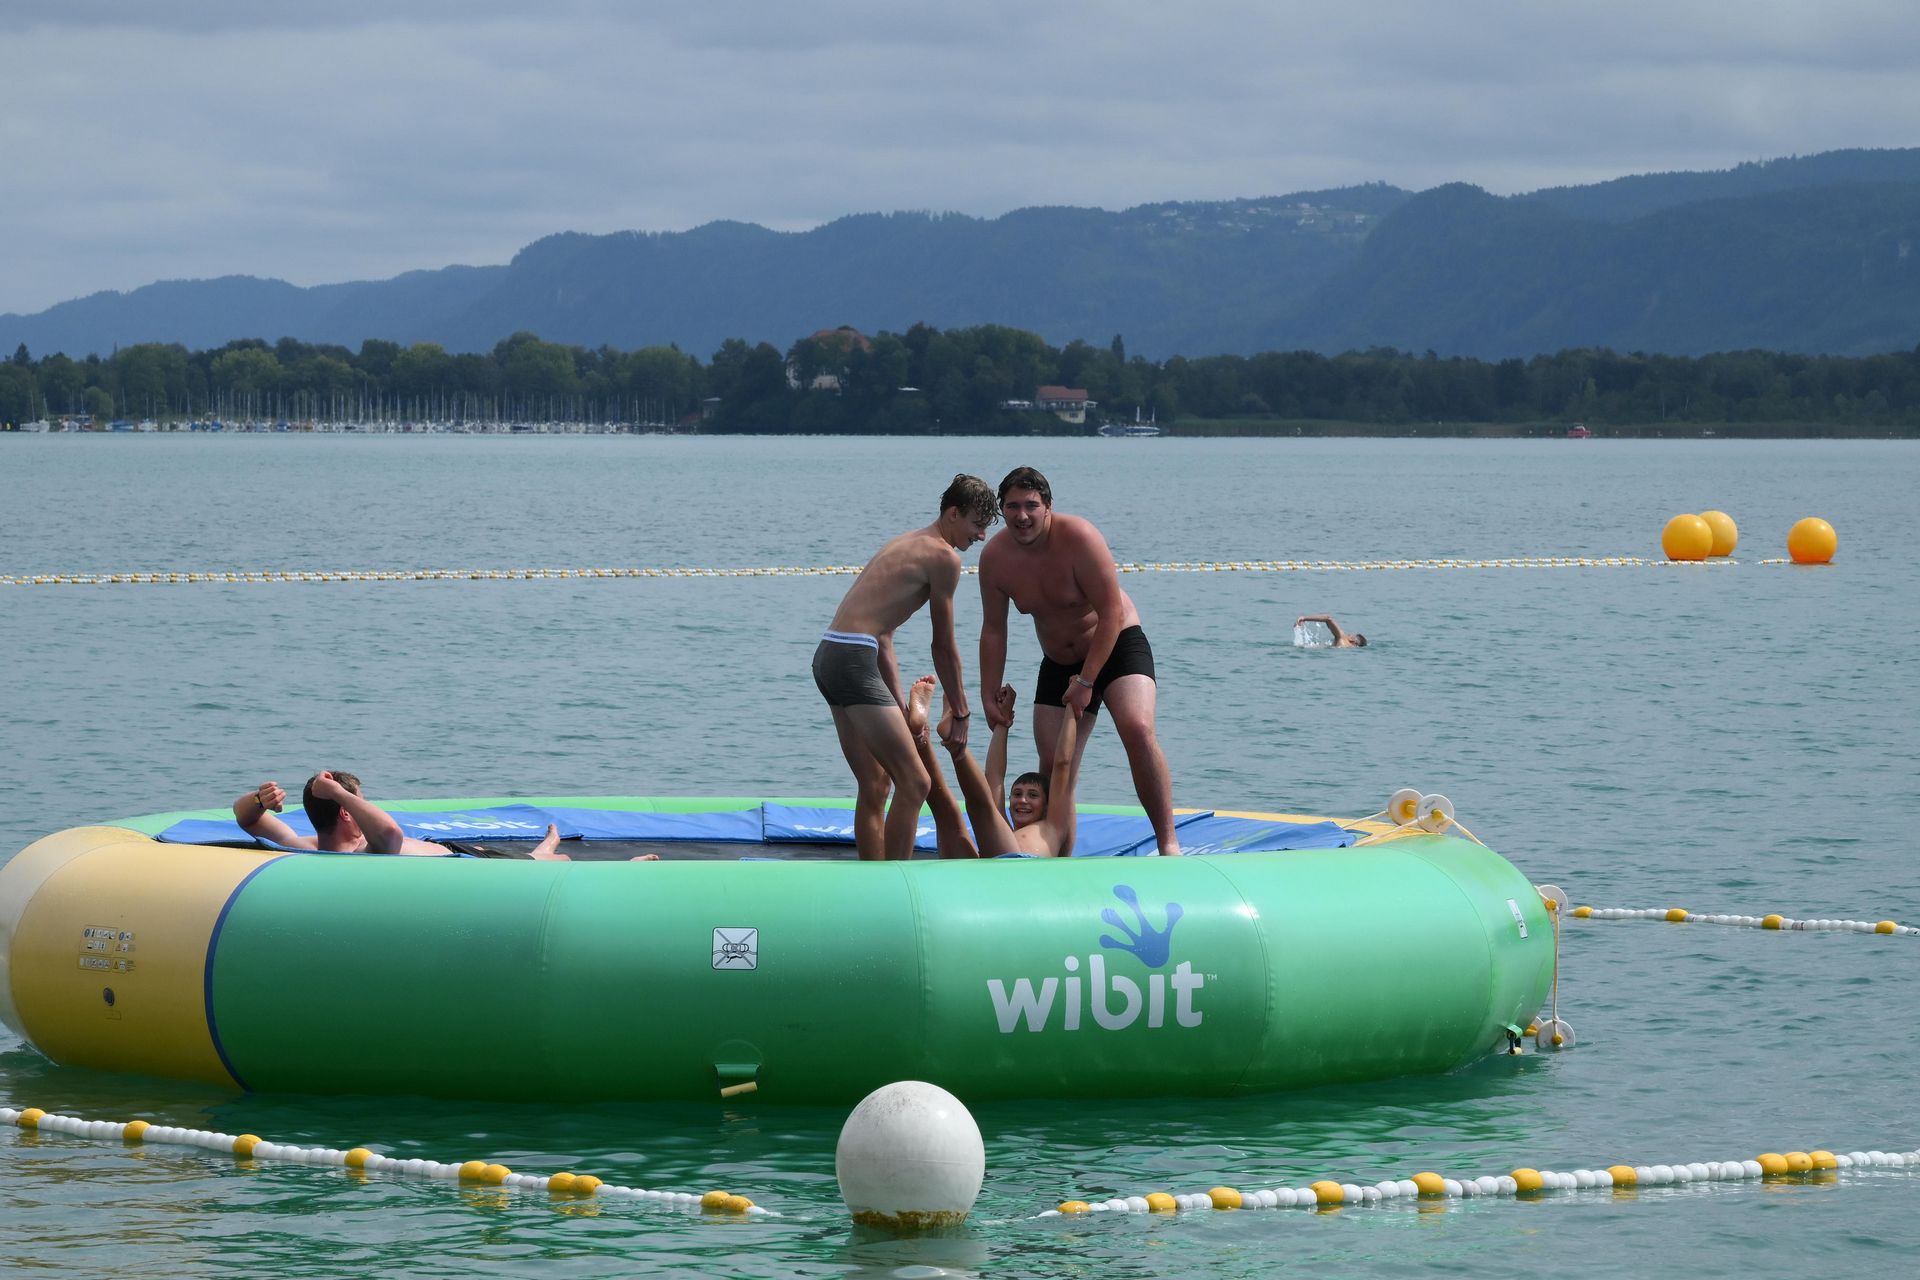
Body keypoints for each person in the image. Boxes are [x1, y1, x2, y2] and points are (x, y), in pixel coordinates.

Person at [978, 466, 1181, 855]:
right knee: (1053, 762)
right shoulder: (995, 558)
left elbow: (1111, 613)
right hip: (1059, 659)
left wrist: (1087, 682)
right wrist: (988, 694)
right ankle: (1060, 858)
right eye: (1013, 506)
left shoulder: (1080, 537)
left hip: (1116, 644)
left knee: (1138, 729)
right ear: (1002, 510)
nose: (1022, 516)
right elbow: (993, 630)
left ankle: (1168, 843)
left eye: (1031, 506)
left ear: (1048, 506)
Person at [814, 474, 998, 860]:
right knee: (915, 782)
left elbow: (883, 636)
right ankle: (895, 882)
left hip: (829, 655)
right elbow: (943, 645)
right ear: (953, 513)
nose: (981, 536)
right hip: (853, 660)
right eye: (977, 525)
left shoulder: (903, 542)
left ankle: (872, 877)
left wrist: (898, 705)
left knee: (876, 783)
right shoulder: (944, 557)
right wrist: (961, 710)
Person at [904, 675, 1081, 857]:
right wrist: (1003, 722)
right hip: (989, 865)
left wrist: (1072, 707)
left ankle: (954, 743)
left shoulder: (1054, 825)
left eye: (1033, 795)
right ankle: (920, 735)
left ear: (1047, 805)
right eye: (1017, 794)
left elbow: (1062, 763)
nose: (1022, 800)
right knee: (945, 811)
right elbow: (995, 775)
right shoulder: (1002, 830)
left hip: (1016, 865)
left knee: (982, 807)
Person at [232, 772, 590, 859]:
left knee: (544, 860)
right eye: (361, 802)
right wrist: (340, 792)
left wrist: (259, 801)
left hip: (455, 852)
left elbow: (247, 819)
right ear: (346, 812)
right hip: (460, 859)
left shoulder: (307, 846)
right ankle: (546, 849)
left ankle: (545, 848)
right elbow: (391, 833)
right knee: (552, 861)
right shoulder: (364, 851)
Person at [1296, 614, 1368, 647]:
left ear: (1352, 639)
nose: (1348, 634)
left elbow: (1328, 618)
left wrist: (1304, 618)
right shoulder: (1347, 647)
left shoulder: (1342, 638)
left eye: (1350, 635)